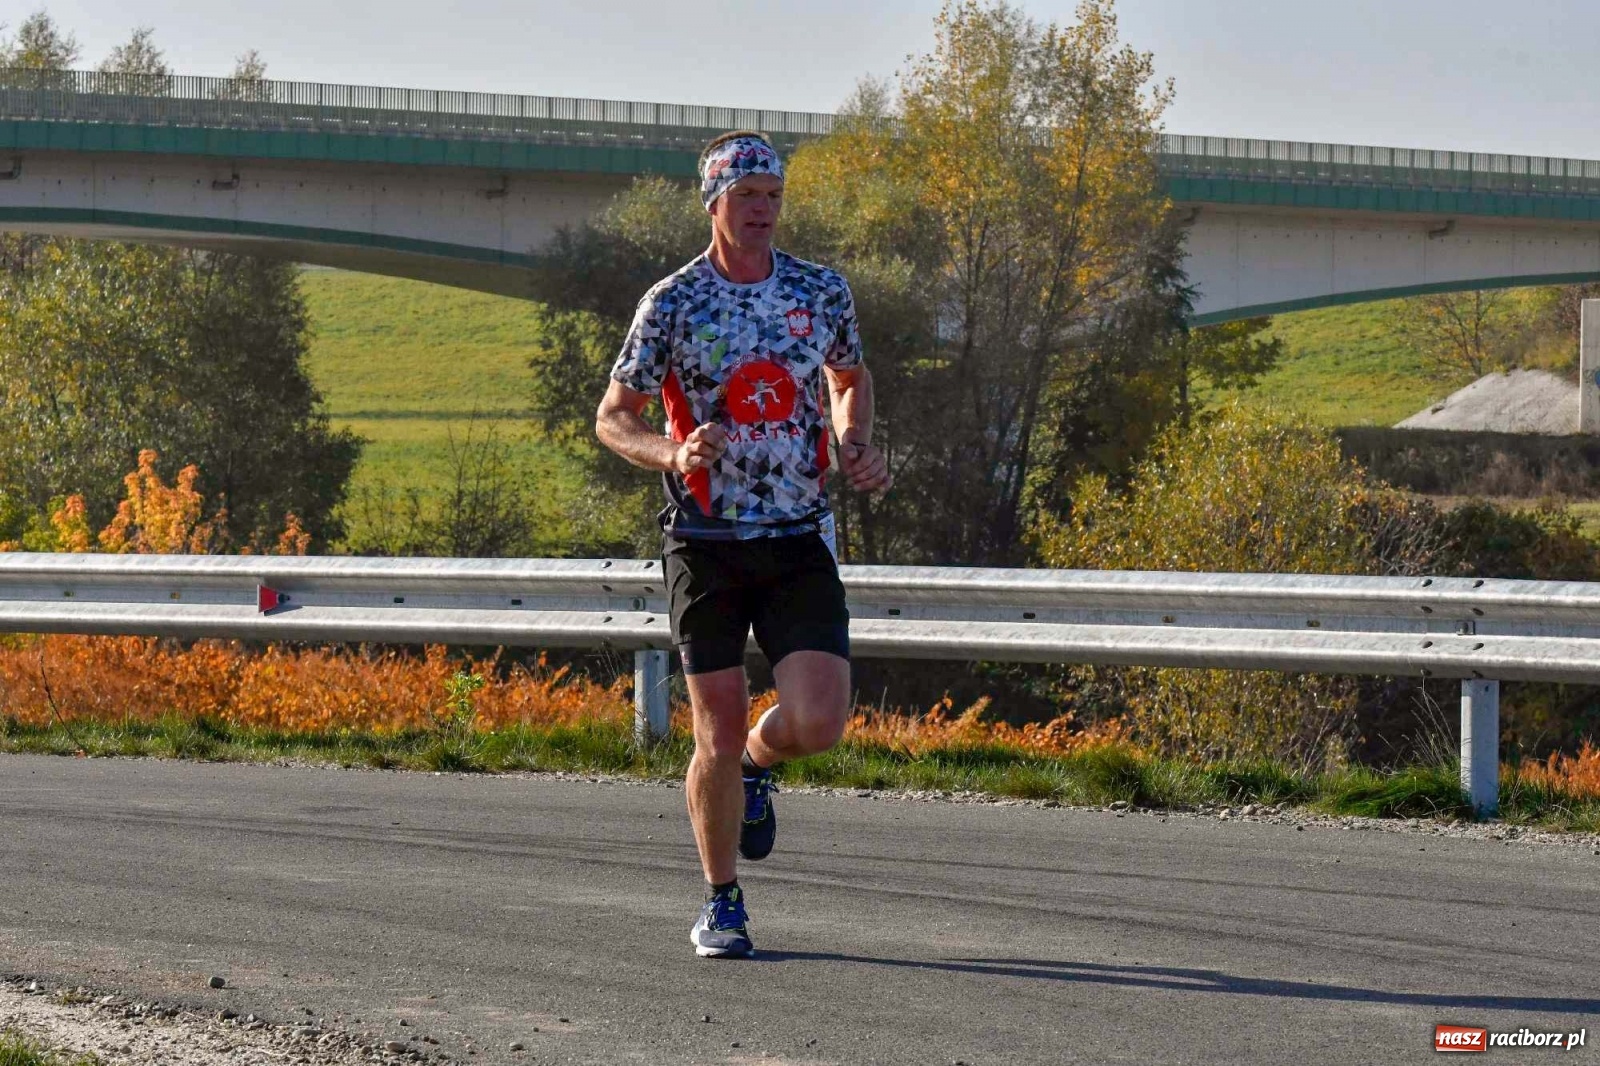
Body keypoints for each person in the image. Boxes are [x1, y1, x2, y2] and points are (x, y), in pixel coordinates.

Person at [595, 130, 890, 958]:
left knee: (821, 722)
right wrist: (673, 452)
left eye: (773, 196)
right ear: (714, 203)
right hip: (706, 540)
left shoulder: (820, 291)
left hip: (798, 535)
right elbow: (613, 418)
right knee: (713, 734)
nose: (762, 210)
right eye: (747, 196)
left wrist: (855, 440)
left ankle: (761, 766)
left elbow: (849, 377)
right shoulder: (673, 302)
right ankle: (722, 899)